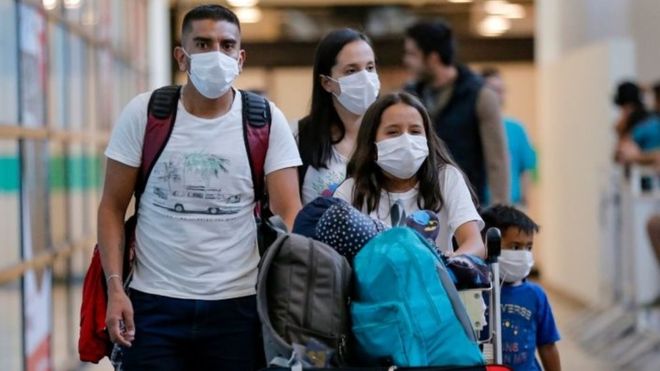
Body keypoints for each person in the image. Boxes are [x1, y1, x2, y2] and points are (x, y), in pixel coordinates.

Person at [97, 5, 302, 369]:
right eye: (203, 44)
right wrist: (115, 288)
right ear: (182, 56)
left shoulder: (266, 120)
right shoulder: (146, 114)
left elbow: (290, 213)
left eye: (226, 45)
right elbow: (112, 206)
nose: (216, 55)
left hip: (237, 307)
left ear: (240, 58)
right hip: (153, 304)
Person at [334, 92, 485, 257]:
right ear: (371, 142)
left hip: (434, 280)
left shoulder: (446, 178)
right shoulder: (350, 191)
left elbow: (475, 244)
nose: (406, 140)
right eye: (393, 132)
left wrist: (452, 261)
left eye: (415, 131)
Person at [403, 20, 510, 206]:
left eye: (412, 54)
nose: (406, 60)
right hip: (419, 206)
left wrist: (500, 210)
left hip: (467, 206)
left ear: (433, 58)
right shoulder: (410, 95)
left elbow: (497, 161)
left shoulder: (480, 95)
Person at [298, 28, 380, 204]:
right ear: (327, 82)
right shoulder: (301, 138)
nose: (365, 78)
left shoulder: (390, 133)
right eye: (351, 71)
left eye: (370, 68)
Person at [480, 205, 561, 371]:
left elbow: (547, 345)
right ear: (489, 244)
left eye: (529, 247)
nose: (523, 254)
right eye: (515, 247)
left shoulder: (536, 295)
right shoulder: (477, 292)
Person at [482, 67, 537, 207]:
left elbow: (526, 169)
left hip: (511, 205)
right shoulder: (471, 129)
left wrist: (524, 202)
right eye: (493, 90)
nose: (498, 96)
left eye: (501, 91)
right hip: (480, 206)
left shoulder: (516, 129)